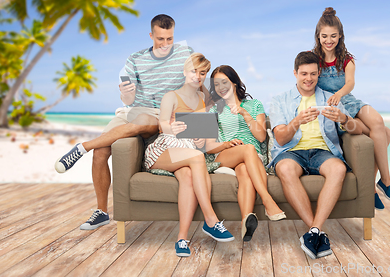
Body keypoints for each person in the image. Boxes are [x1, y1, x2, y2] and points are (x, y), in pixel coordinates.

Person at [54, 14, 194, 230]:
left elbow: (196, 85)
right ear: (151, 35)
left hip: (161, 112)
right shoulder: (135, 59)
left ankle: (82, 147)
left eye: (169, 39)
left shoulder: (186, 54)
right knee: (101, 150)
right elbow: (127, 99)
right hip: (134, 108)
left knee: (141, 123)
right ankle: (101, 212)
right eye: (160, 39)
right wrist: (127, 93)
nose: (165, 44)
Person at [269, 51, 361, 259]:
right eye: (303, 74)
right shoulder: (279, 100)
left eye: (313, 74)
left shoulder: (331, 98)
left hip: (322, 152)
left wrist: (344, 118)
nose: (308, 79)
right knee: (284, 168)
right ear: (295, 73)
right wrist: (296, 121)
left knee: (338, 168)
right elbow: (280, 139)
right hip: (291, 152)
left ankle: (313, 231)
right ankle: (317, 232)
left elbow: (359, 129)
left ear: (319, 73)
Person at [144, 53, 234, 257]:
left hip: (186, 149)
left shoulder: (203, 98)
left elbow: (203, 129)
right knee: (197, 157)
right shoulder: (171, 96)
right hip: (164, 149)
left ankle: (182, 239)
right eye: (194, 71)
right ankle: (211, 220)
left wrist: (200, 139)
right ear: (185, 72)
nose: (198, 76)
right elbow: (162, 124)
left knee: (188, 177)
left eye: (202, 73)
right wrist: (171, 127)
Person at [312, 7, 390, 210]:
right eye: (324, 36)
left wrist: (340, 93)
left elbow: (350, 83)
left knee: (379, 123)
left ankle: (385, 180)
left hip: (347, 99)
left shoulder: (347, 59)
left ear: (340, 36)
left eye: (333, 36)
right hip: (329, 106)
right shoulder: (312, 57)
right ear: (318, 36)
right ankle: (374, 187)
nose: (329, 40)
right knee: (385, 134)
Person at [205, 65, 286, 242]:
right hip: (226, 154)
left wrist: (244, 113)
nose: (220, 87)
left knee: (244, 171)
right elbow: (209, 146)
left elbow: (261, 136)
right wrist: (226, 144)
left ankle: (245, 221)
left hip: (252, 157)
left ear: (234, 83)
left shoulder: (254, 104)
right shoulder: (214, 110)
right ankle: (267, 200)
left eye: (224, 82)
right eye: (216, 84)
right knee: (247, 149)